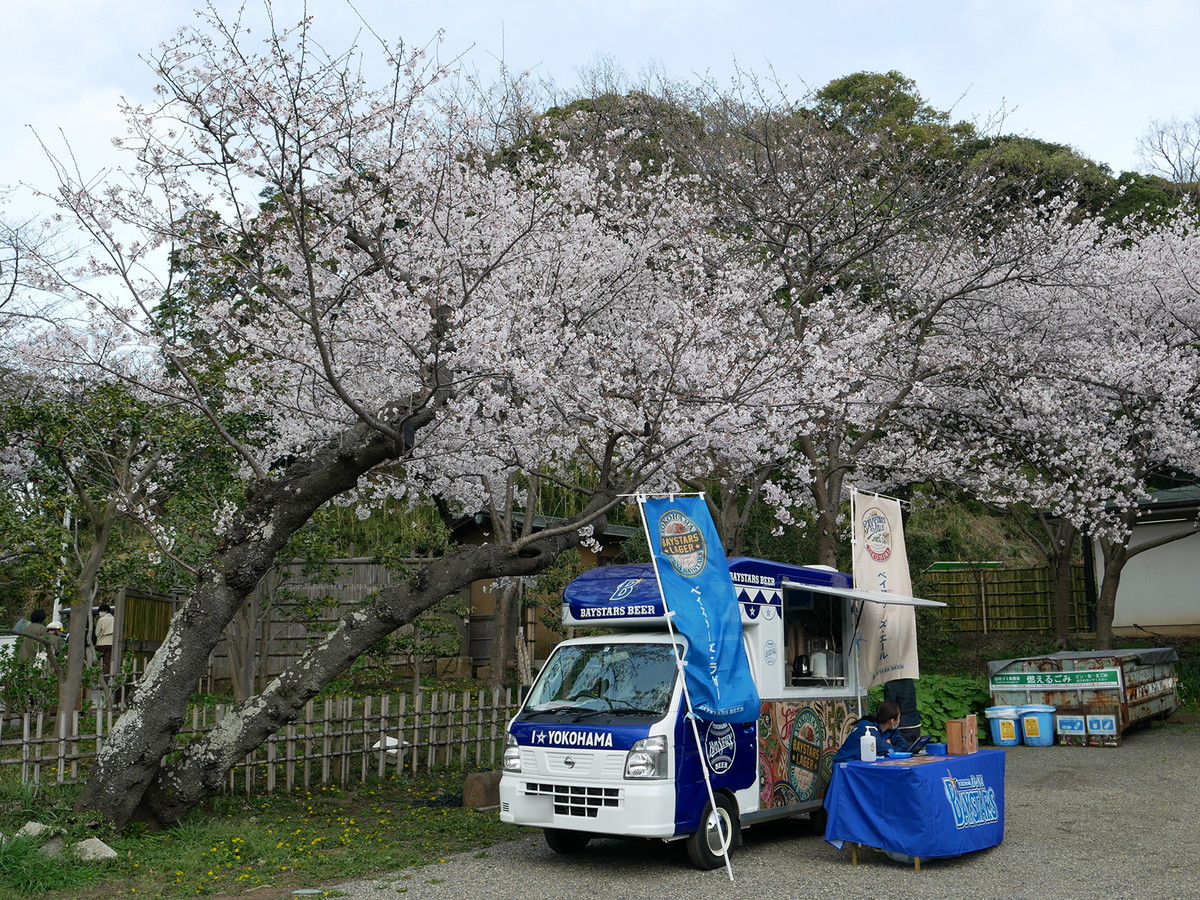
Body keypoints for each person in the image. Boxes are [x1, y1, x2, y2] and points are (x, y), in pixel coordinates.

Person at [832, 700, 910, 764]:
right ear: (892, 721)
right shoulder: (867, 727)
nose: (899, 721)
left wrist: (889, 747)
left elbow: (903, 747)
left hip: (864, 763)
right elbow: (881, 747)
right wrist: (889, 746)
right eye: (898, 718)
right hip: (846, 763)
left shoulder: (890, 730)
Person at [94, 603, 115, 676]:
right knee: (108, 662)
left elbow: (97, 633)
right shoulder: (114, 619)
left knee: (99, 662)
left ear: (103, 611)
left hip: (101, 643)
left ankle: (99, 677)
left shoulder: (101, 620)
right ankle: (107, 678)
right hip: (111, 643)